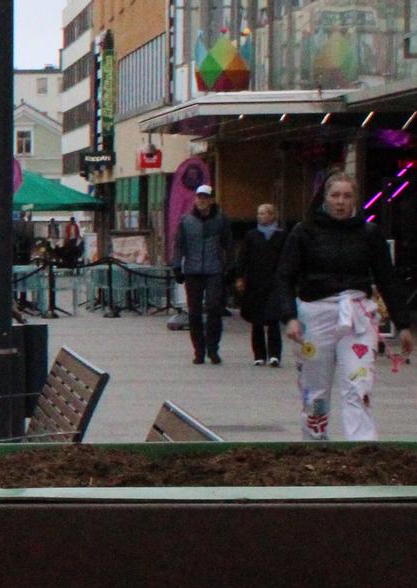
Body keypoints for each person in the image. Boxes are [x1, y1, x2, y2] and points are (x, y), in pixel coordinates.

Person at [278, 169, 415, 440]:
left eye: (347, 196)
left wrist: (402, 324)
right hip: (315, 314)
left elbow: (387, 278)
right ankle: (315, 441)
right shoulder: (304, 232)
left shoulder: (369, 233)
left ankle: (361, 445)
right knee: (315, 389)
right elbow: (284, 276)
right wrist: (289, 317)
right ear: (325, 197)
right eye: (335, 195)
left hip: (356, 314)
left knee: (358, 382)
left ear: (355, 199)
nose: (341, 202)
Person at [175, 183, 234, 365]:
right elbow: (179, 245)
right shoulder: (186, 220)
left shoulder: (221, 220)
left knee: (214, 308)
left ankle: (212, 348)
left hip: (214, 269)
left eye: (205, 197)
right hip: (193, 270)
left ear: (211, 200)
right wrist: (177, 266)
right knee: (194, 312)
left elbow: (228, 244)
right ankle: (199, 351)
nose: (201, 200)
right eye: (199, 197)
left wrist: (230, 267)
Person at [235, 202, 290, 366]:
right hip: (255, 282)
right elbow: (243, 257)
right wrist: (240, 277)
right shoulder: (251, 235)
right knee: (257, 319)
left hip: (274, 282)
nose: (261, 216)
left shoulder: (282, 236)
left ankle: (275, 354)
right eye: (259, 213)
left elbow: (287, 258)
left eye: (264, 213)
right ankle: (259, 355)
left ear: (273, 215)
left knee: (273, 318)